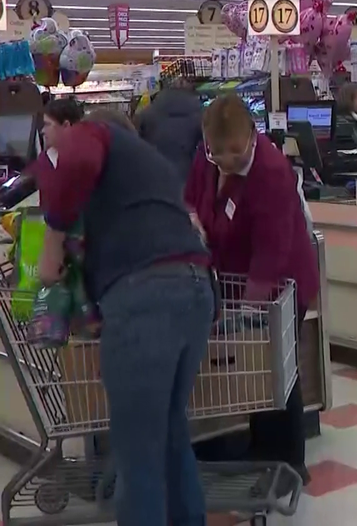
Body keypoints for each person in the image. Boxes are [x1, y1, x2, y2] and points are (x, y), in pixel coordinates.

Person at [37, 106, 214, 526]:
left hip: (145, 297)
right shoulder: (152, 165)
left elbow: (78, 158)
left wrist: (51, 241)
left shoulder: (96, 133)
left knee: (138, 453)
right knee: (170, 435)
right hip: (194, 290)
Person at [184, 94, 317, 484]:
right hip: (232, 275)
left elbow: (271, 252)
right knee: (256, 370)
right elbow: (192, 196)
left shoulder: (271, 172)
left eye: (234, 152)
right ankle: (264, 447)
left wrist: (245, 310)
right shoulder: (206, 157)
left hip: (280, 283)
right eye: (217, 152)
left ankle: (291, 459)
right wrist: (193, 220)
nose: (225, 160)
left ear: (252, 136)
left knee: (278, 367)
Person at [136, 78, 205, 182]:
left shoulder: (147, 113)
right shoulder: (201, 115)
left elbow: (138, 143)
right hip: (189, 175)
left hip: (155, 172)